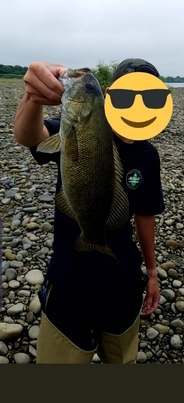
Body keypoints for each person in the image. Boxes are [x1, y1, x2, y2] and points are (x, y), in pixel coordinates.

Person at [14, 58, 165, 364]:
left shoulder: (148, 155)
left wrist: (151, 272)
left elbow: (144, 216)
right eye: (125, 96)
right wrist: (32, 98)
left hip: (123, 285)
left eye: (149, 97)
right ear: (108, 96)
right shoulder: (80, 127)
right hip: (69, 282)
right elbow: (29, 136)